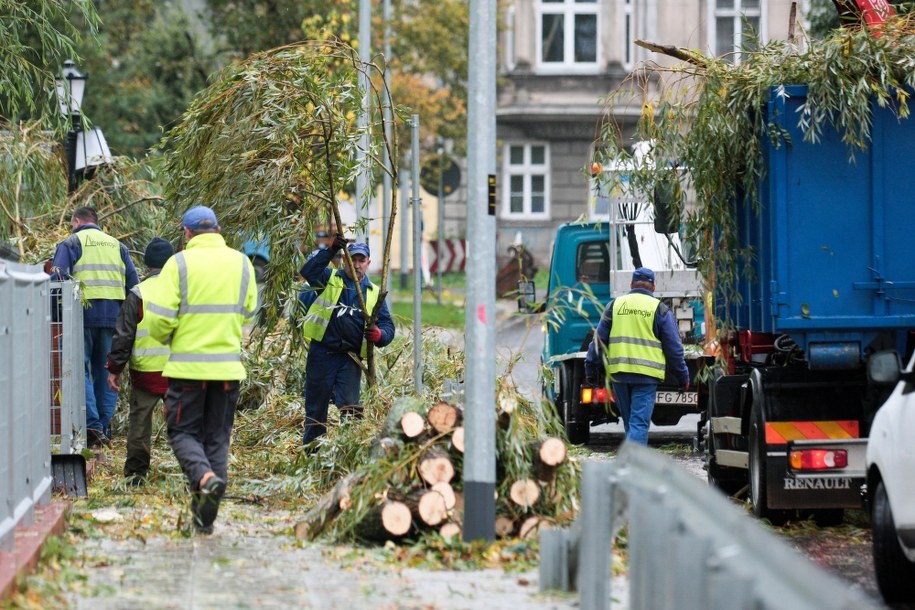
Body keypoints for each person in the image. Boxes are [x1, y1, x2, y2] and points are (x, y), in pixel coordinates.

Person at [143, 206, 258, 534]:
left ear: (187, 233)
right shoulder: (242, 263)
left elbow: (159, 319)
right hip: (227, 371)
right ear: (218, 229)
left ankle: (206, 479)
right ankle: (204, 516)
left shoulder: (177, 264)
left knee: (182, 433)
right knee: (216, 439)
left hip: (188, 370)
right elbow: (249, 311)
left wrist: (169, 336)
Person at [50, 206, 139, 448]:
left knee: (80, 370)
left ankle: (92, 426)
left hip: (80, 317)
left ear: (77, 221)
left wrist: (56, 318)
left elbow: (58, 280)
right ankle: (104, 428)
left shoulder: (71, 243)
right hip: (114, 321)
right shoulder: (118, 246)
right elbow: (134, 285)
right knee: (107, 372)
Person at [299, 236, 395, 446]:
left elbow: (388, 326)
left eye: (362, 260)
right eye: (353, 260)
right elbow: (308, 272)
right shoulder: (330, 278)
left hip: (350, 360)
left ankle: (348, 452)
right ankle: (312, 453)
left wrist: (380, 335)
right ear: (344, 261)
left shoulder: (374, 293)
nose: (357, 265)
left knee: (351, 409)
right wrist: (331, 249)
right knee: (316, 409)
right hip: (322, 354)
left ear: (368, 263)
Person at [584, 267, 690, 445]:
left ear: (631, 284)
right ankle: (634, 466)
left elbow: (598, 341)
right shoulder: (660, 309)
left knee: (631, 424)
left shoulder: (615, 306)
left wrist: (590, 368)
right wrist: (683, 376)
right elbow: (674, 348)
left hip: (620, 375)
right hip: (646, 376)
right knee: (638, 424)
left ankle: (630, 463)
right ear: (654, 287)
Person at [105, 237, 174, 485]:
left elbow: (124, 335)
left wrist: (115, 368)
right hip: (180, 371)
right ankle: (195, 470)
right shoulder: (183, 291)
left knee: (140, 425)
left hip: (146, 372)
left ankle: (135, 475)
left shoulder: (138, 293)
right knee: (185, 422)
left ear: (147, 264)